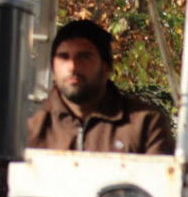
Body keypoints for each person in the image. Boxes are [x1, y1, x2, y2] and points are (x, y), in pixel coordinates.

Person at [27, 19, 175, 154]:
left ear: (106, 67)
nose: (73, 66)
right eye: (64, 57)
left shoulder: (145, 124)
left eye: (84, 56)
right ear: (53, 68)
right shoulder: (31, 130)